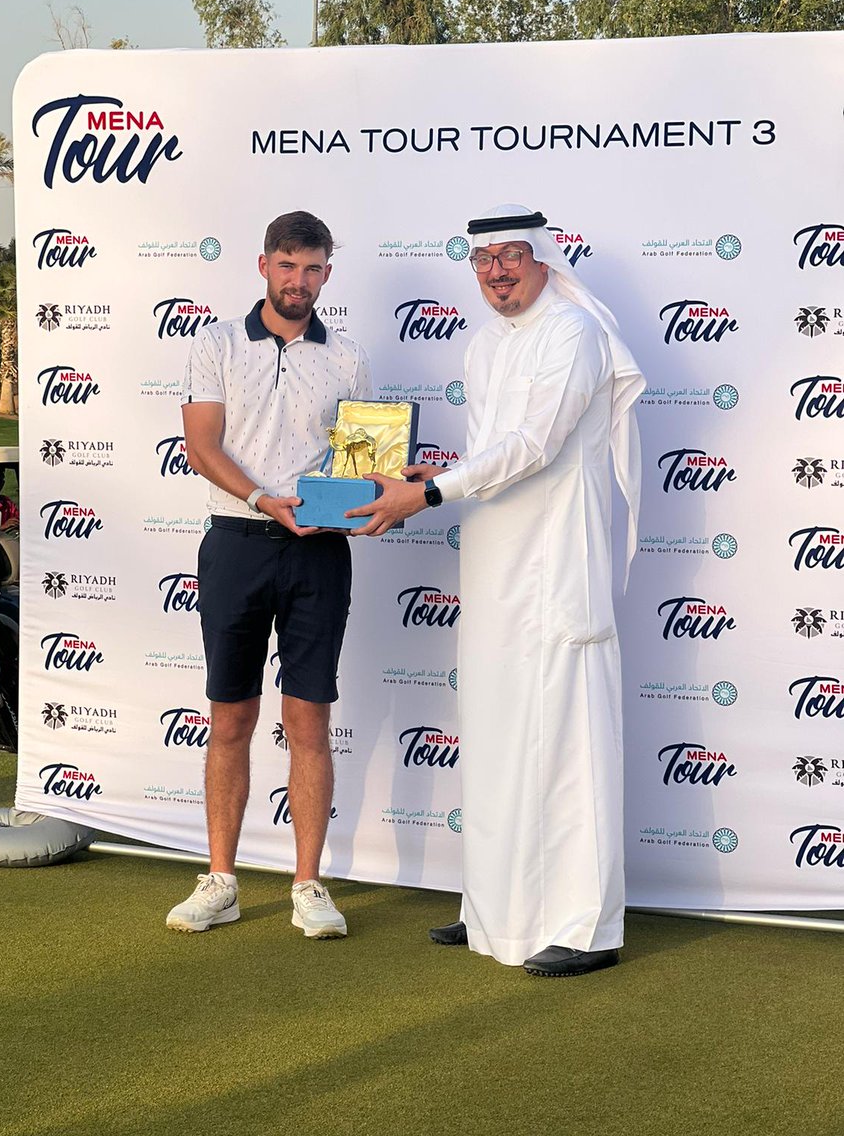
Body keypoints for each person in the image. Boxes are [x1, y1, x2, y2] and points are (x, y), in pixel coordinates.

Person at [347, 203, 645, 977]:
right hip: (491, 562)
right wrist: (428, 477)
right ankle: (493, 911)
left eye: (512, 256)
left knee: (566, 741)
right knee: (496, 731)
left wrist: (434, 492)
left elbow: (536, 445)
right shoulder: (482, 344)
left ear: (543, 259)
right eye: (483, 261)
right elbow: (489, 452)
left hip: (556, 564)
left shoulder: (574, 335)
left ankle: (586, 929)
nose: (498, 272)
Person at [167, 211, 371, 938]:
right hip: (238, 541)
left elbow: (357, 468)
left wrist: (374, 498)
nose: (299, 281)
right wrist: (261, 499)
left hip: (318, 550)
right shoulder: (217, 342)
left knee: (307, 720)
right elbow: (201, 445)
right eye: (288, 266)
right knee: (231, 717)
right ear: (263, 266)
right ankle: (220, 879)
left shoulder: (347, 357)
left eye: (313, 268)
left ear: (326, 273)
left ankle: (308, 886)